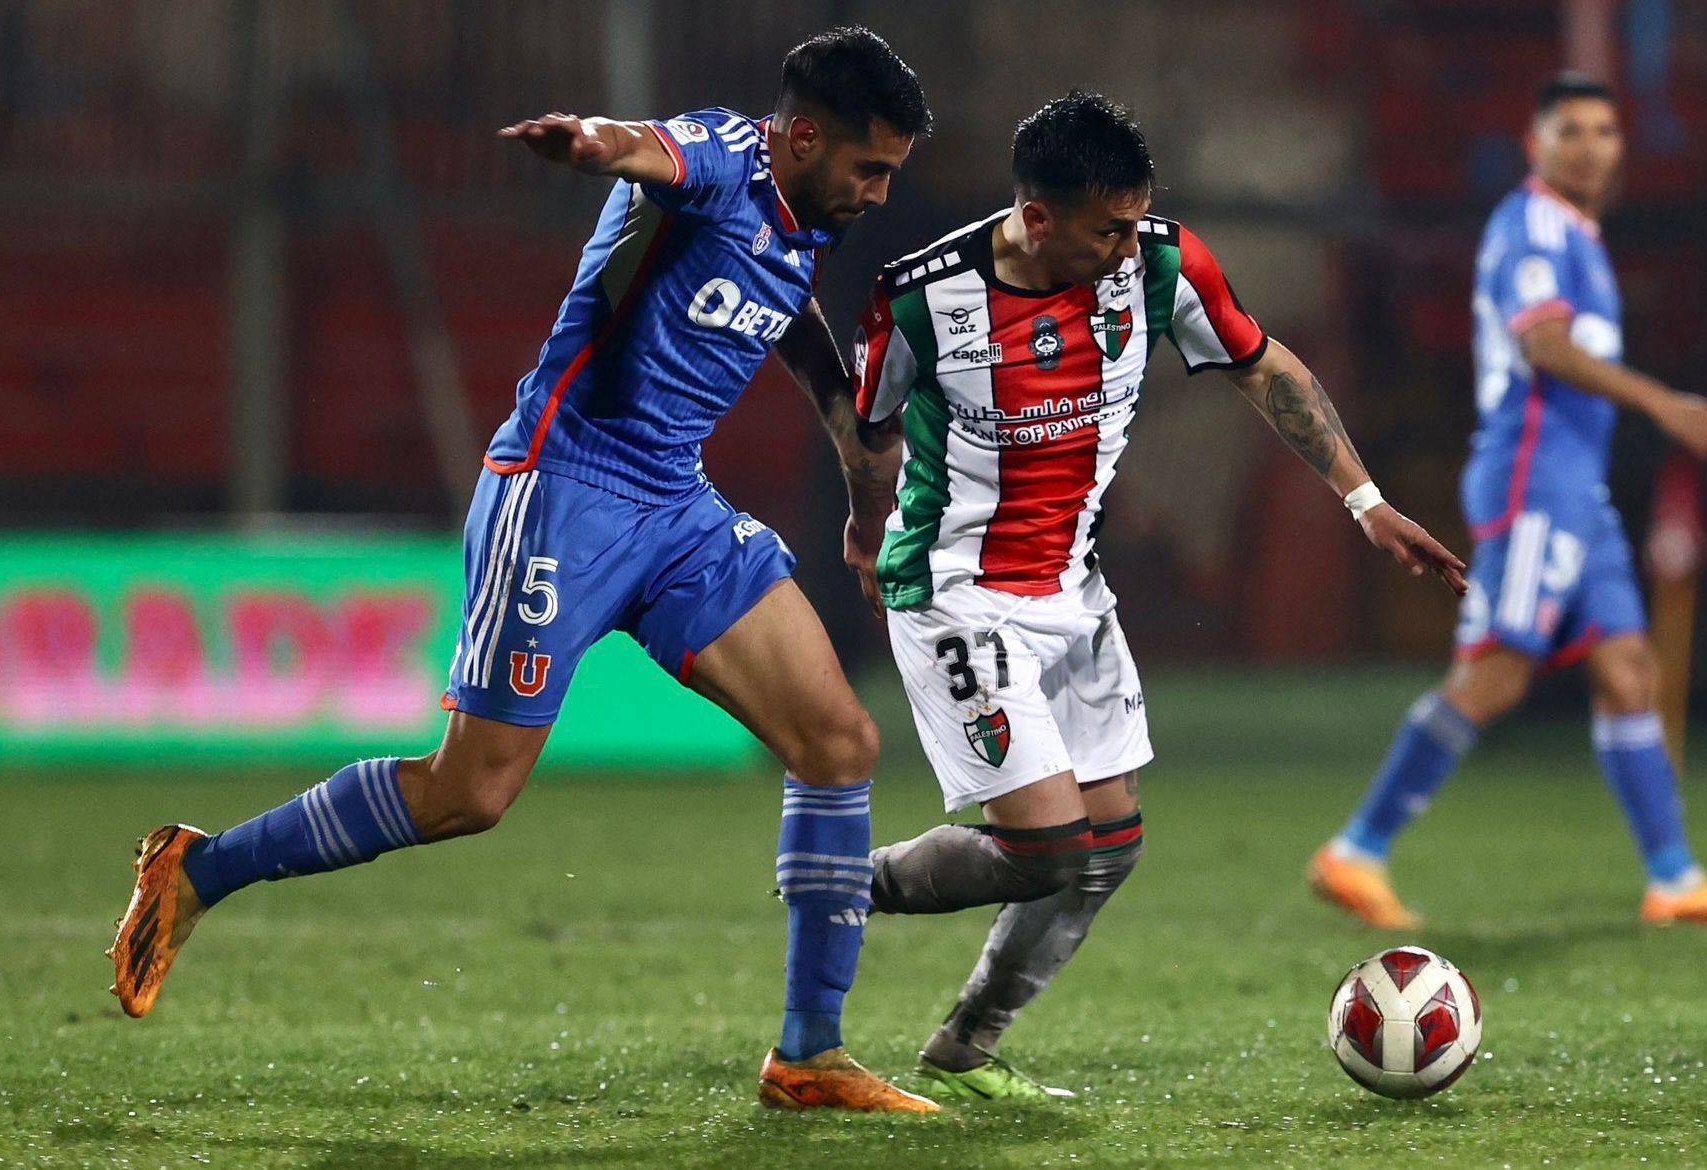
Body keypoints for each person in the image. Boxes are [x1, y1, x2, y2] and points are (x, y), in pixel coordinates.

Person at [108, 27, 940, 1114]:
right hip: (561, 493)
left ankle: (807, 1056)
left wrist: (852, 452)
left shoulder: (802, 216)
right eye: (869, 167)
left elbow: (781, 303)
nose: (878, 192)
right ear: (803, 135)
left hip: (673, 509)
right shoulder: (724, 156)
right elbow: (652, 150)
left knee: (838, 743)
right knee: (471, 793)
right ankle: (197, 868)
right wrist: (588, 142)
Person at [844, 92, 1467, 1099]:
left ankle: (966, 1045)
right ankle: (842, 878)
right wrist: (861, 530)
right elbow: (865, 427)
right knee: (1044, 846)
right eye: (1108, 228)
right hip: (958, 589)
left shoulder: (1163, 264)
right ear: (1036, 218)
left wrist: (1363, 501)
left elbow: (1262, 368)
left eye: (1136, 221)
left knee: (1107, 847)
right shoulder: (924, 296)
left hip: (1074, 594)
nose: (1129, 245)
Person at [1310, 72, 1707, 930]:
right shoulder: (1531, 225)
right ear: (1536, 146)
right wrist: (1662, 401)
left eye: (1605, 130)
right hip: (1532, 480)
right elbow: (1545, 346)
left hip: (1578, 492)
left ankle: (1674, 878)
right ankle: (1356, 851)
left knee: (1630, 672)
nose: (1591, 145)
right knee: (1495, 673)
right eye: (1571, 130)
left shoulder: (1580, 237)